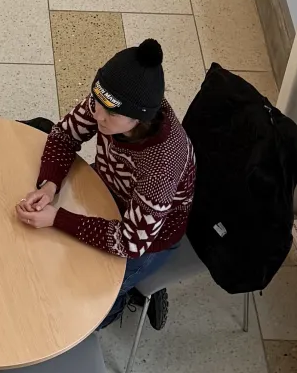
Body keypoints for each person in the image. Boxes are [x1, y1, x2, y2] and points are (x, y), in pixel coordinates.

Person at [15, 39, 195, 332]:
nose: (97, 114)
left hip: (147, 237)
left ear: (138, 119)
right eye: (96, 102)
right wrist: (49, 184)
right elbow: (63, 135)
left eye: (110, 113)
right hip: (107, 188)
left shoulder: (161, 166)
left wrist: (57, 218)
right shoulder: (110, 100)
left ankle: (125, 298)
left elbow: (130, 242)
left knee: (84, 310)